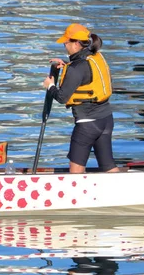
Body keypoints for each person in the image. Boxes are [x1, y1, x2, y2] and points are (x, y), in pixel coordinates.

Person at [42, 23, 120, 174]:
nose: (65, 46)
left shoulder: (76, 68)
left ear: (76, 44)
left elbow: (62, 97)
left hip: (87, 125)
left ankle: (76, 196)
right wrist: (66, 67)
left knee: (76, 170)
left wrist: (50, 85)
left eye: (66, 42)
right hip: (105, 120)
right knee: (108, 166)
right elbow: (84, 75)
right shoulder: (95, 57)